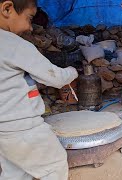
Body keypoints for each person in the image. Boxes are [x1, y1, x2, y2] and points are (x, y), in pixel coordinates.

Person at [0, 0, 78, 179]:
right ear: (7, 9)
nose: (30, 27)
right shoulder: (14, 44)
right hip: (22, 127)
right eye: (29, 18)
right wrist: (72, 72)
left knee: (15, 173)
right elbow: (55, 78)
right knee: (54, 164)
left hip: (3, 129)